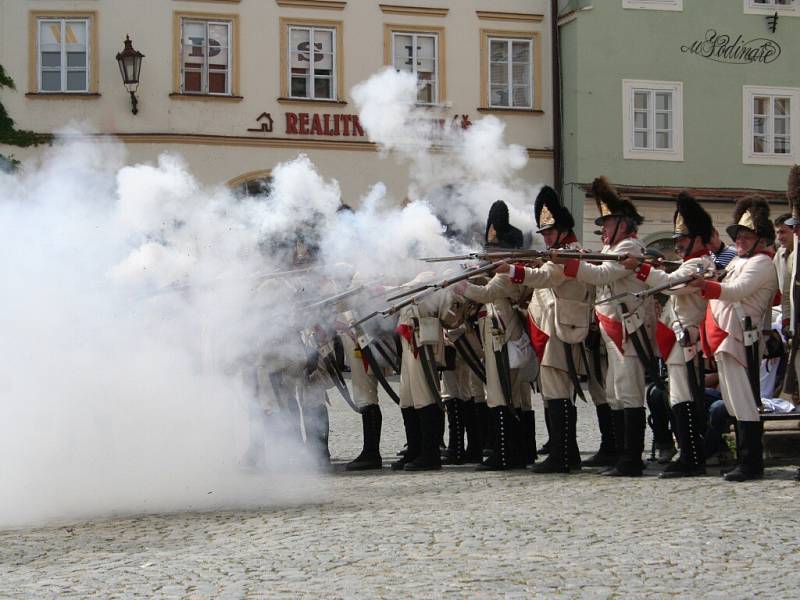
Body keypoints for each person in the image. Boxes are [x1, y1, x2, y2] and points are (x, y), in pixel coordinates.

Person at [560, 177, 656, 477]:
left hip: (629, 330)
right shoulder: (617, 247)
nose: (602, 229)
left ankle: (631, 459)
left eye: (608, 223)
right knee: (616, 393)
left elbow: (601, 275)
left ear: (623, 224)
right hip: (614, 329)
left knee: (629, 393)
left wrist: (568, 263)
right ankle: (620, 454)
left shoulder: (630, 246)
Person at [497, 186, 591, 473]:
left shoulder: (567, 254)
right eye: (545, 233)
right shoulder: (561, 252)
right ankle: (567, 452)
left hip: (562, 327)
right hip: (556, 325)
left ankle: (562, 456)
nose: (547, 237)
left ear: (563, 230)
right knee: (553, 392)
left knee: (558, 392)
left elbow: (546, 276)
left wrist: (513, 271)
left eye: (550, 232)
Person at [622, 191, 715, 477]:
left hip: (688, 337)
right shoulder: (691, 262)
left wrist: (641, 268)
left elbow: (671, 285)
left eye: (683, 239)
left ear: (699, 239)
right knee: (677, 397)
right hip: (678, 337)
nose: (679, 244)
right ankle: (689, 453)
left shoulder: (700, 264)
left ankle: (691, 456)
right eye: (677, 240)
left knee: (684, 397)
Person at [690, 196, 778, 481]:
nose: (739, 240)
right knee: (732, 401)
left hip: (741, 335)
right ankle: (744, 458)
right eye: (738, 235)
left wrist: (706, 285)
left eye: (746, 235)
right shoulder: (741, 261)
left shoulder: (762, 263)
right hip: (728, 334)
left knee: (744, 401)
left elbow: (737, 290)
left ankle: (752, 463)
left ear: (759, 239)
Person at [454, 200, 534, 470]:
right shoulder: (499, 272)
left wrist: (461, 285)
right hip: (498, 335)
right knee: (501, 394)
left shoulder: (507, 275)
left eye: (493, 250)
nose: (488, 255)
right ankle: (514, 452)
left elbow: (487, 293)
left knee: (499, 395)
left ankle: (502, 454)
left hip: (503, 336)